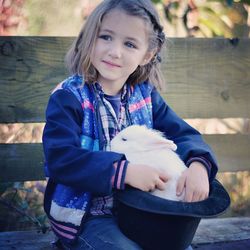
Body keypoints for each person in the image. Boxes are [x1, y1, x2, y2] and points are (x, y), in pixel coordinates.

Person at [42, 0, 218, 249]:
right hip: (86, 217)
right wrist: (123, 172)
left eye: (129, 43)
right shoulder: (69, 97)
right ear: (90, 37)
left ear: (147, 54)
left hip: (140, 211)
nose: (115, 51)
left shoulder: (145, 96)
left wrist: (199, 164)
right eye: (106, 37)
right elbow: (60, 158)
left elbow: (182, 134)